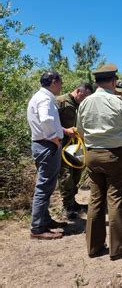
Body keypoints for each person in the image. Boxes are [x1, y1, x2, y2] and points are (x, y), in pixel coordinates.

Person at [77, 64, 122, 260]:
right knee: (115, 199)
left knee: (95, 200)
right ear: (113, 82)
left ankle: (94, 248)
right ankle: (118, 249)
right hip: (116, 156)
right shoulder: (119, 102)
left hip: (93, 156)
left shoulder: (85, 103)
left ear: (96, 82)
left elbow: (80, 132)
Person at [27, 71, 68, 239]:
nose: (61, 85)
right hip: (47, 145)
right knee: (44, 187)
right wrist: (55, 139)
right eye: (60, 81)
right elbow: (45, 120)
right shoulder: (45, 98)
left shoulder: (40, 96)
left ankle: (44, 219)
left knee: (47, 186)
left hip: (42, 145)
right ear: (53, 82)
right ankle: (37, 228)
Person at [56, 82, 93, 219]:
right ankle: (67, 206)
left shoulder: (80, 105)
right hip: (62, 145)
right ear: (78, 91)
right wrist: (66, 132)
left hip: (76, 146)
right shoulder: (60, 101)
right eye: (84, 96)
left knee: (77, 172)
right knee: (65, 176)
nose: (85, 100)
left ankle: (73, 202)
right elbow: (50, 123)